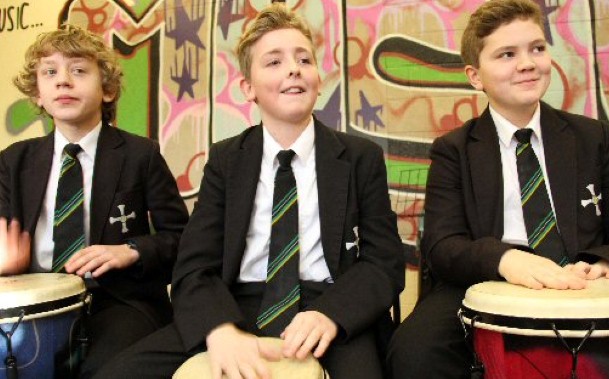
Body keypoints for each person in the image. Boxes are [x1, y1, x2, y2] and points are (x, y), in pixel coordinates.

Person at [95, 4, 405, 379]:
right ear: (248, 88)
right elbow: (194, 265)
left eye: (303, 59)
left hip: (328, 304)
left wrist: (332, 315)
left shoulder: (360, 157)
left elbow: (383, 261)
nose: (293, 68)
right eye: (273, 62)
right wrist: (219, 328)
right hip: (236, 303)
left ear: (318, 79)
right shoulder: (226, 160)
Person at [387, 0, 609, 377]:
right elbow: (442, 245)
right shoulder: (453, 150)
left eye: (537, 49)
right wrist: (507, 260)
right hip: (483, 280)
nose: (527, 63)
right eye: (507, 54)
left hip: (578, 281)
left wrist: (608, 264)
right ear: (475, 76)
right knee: (413, 352)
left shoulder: (593, 137)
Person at [0, 25, 189, 377]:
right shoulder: (13, 162)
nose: (63, 81)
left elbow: (182, 241)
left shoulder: (139, 155)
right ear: (38, 94)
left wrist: (130, 249)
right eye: (50, 72)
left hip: (118, 301)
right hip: (35, 307)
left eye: (79, 70)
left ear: (108, 89)